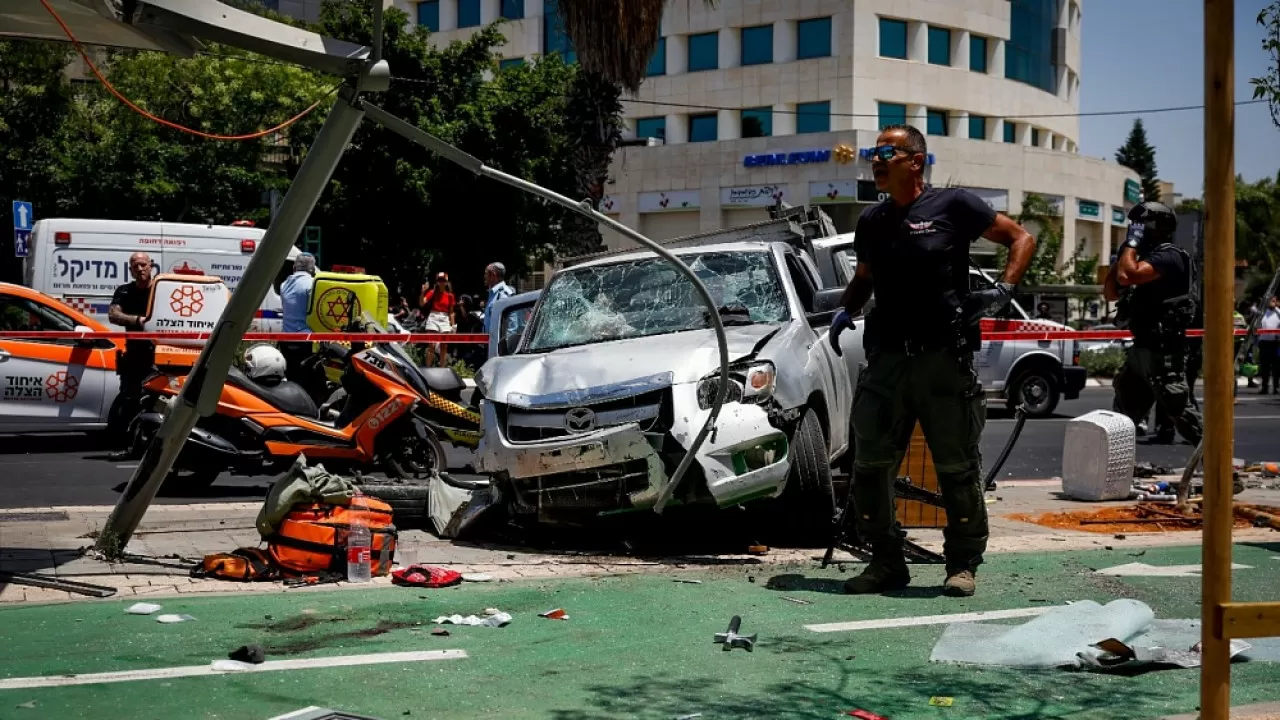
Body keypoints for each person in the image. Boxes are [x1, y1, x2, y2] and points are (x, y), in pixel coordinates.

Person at [827, 124, 1036, 598]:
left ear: (915, 160)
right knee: (870, 466)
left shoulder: (953, 205)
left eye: (886, 152)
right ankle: (885, 562)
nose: (875, 160)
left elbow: (1020, 238)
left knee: (956, 466)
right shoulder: (873, 221)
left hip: (944, 357)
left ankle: (962, 563)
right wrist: (846, 308)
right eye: (871, 153)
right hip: (887, 362)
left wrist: (1004, 290)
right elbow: (865, 276)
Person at [1104, 202, 1203, 446]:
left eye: (1140, 225)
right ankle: (1109, 472)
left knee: (1183, 413)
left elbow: (1129, 276)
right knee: (1122, 415)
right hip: (1142, 349)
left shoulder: (1170, 256)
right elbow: (1111, 292)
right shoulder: (1140, 257)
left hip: (1163, 350)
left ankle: (1222, 468)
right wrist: (1122, 254)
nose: (1135, 230)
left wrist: (1131, 246)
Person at [106, 252, 158, 459]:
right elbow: (113, 315)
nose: (140, 269)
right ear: (130, 270)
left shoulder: (160, 290)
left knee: (158, 401)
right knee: (128, 402)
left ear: (151, 266)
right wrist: (139, 321)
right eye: (135, 266)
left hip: (160, 355)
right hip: (135, 355)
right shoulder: (125, 291)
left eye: (143, 265)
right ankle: (123, 446)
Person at [279, 253, 317, 384]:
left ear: (294, 267)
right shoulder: (313, 285)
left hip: (286, 340)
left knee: (291, 379)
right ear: (312, 270)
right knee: (307, 380)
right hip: (306, 342)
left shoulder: (284, 285)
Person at [420, 272, 457, 367]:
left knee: (444, 346)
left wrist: (453, 325)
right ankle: (428, 368)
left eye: (443, 280)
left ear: (446, 282)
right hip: (433, 316)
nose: (441, 282)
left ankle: (442, 369)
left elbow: (451, 312)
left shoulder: (450, 296)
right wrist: (422, 292)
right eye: (439, 280)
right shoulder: (432, 292)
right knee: (431, 345)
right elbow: (422, 303)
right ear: (437, 282)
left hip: (444, 318)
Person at [483, 262, 515, 335]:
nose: (484, 276)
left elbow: (512, 325)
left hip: (498, 345)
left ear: (493, 275)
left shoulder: (503, 295)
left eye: (486, 274)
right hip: (490, 343)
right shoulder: (493, 294)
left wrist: (504, 345)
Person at [1259, 295, 1280, 394]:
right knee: (1264, 367)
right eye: (1270, 301)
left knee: (1276, 367)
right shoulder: (1262, 313)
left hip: (1276, 343)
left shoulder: (1279, 312)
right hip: (1264, 343)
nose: (1272, 302)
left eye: (1274, 301)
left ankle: (1276, 387)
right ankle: (1264, 387)